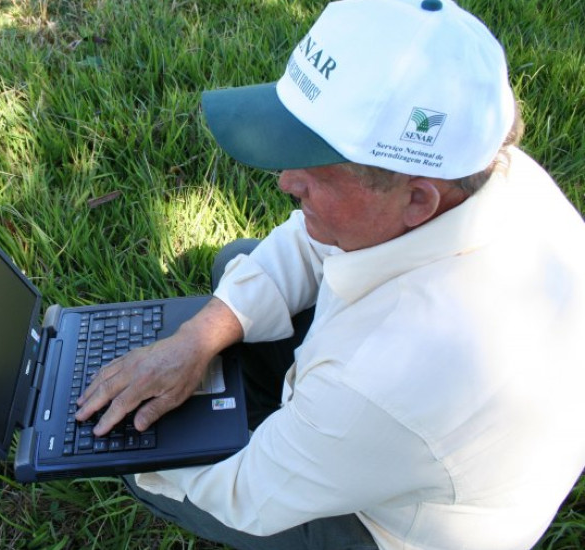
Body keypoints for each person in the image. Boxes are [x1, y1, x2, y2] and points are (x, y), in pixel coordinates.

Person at [76, 0, 585, 548]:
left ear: (417, 198)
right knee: (239, 262)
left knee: (141, 468)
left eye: (315, 171)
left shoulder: (385, 377)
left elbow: (245, 496)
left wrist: (127, 445)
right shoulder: (485, 173)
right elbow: (305, 240)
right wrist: (196, 339)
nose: (285, 181)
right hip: (417, 430)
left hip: (398, 529)